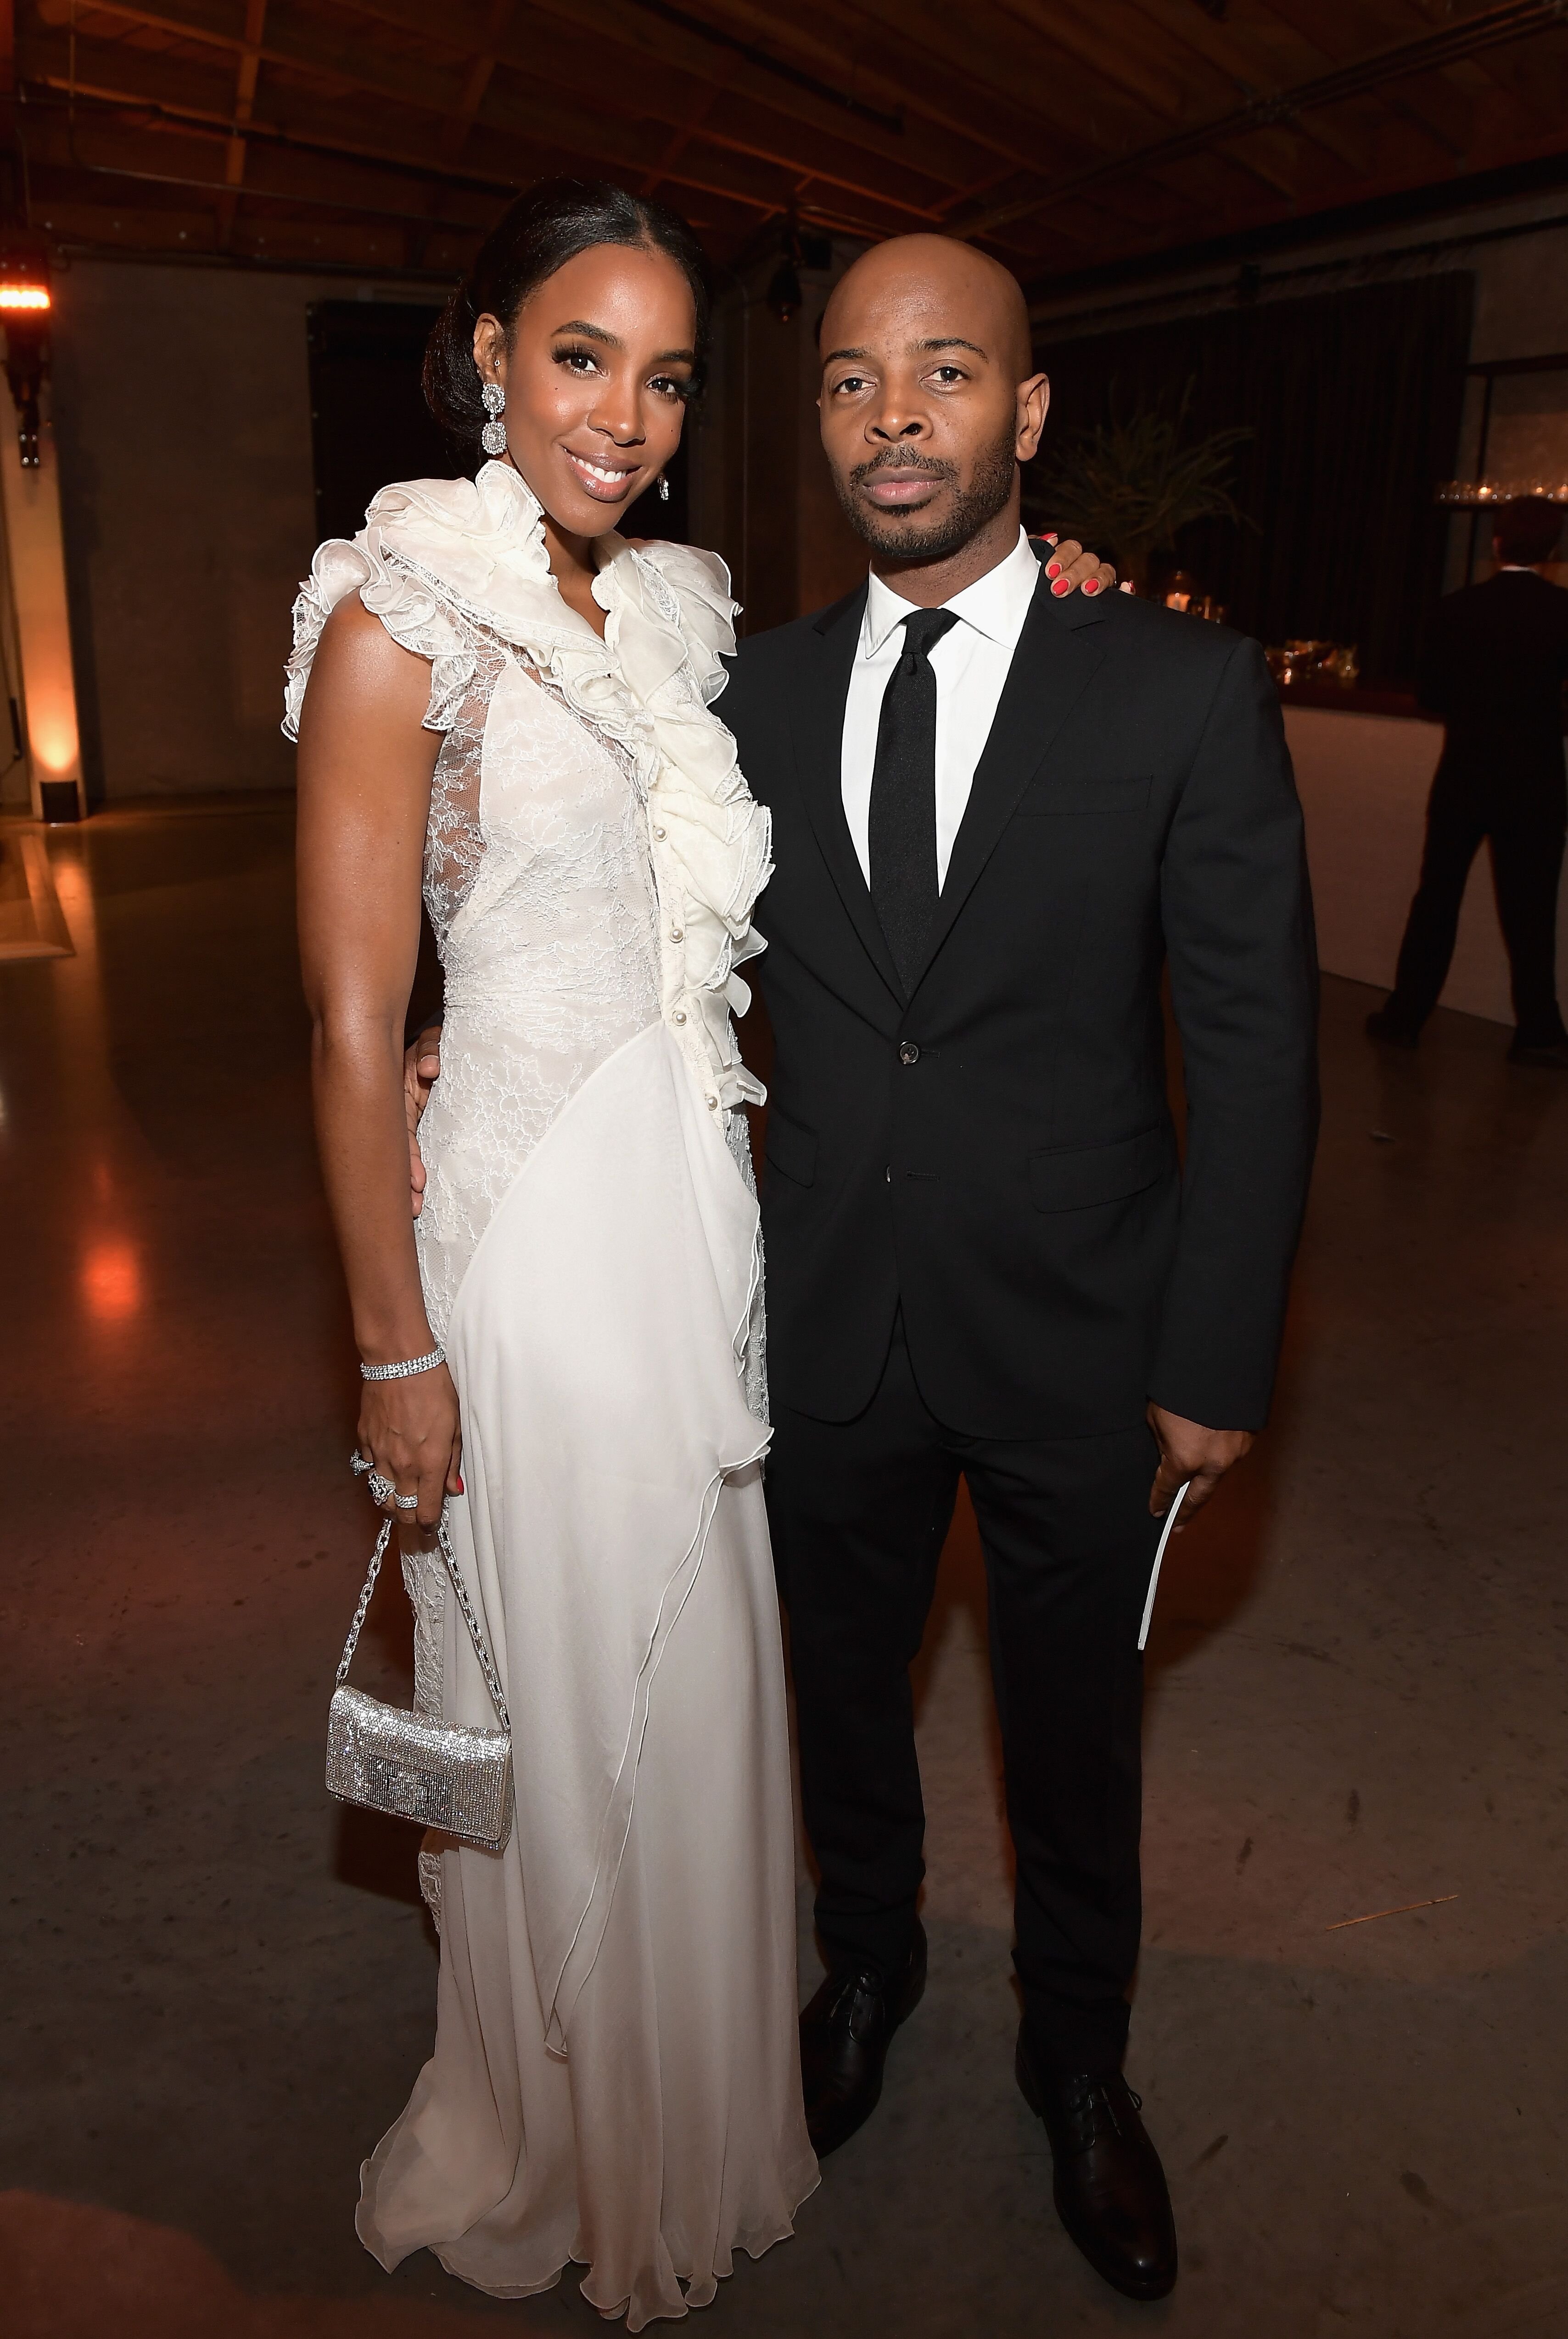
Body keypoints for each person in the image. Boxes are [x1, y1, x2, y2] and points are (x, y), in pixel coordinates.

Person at [408, 227, 1318, 2309]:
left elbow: (1259, 1053)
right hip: (813, 1318)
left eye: (943, 374)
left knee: (1077, 1738)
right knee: (840, 1707)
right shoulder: (746, 686)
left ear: (1027, 408)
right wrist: (462, 1023)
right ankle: (867, 1974)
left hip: (1089, 1335)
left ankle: (1080, 2074)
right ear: (811, 411)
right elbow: (612, 898)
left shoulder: (1176, 686)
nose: (893, 416)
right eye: (845, 379)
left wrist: (1217, 1352)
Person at [291, 180, 825, 2328]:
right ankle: (571, 2125)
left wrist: (1054, 589)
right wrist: (389, 1346)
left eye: (668, 370)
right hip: (517, 1236)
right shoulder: (402, 602)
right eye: (582, 351)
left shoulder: (671, 613)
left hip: (682, 1206)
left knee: (688, 1659)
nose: (625, 408)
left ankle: (688, 2104)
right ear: (490, 349)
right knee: (565, 1676)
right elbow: (346, 1019)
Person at [1367, 495, 1568, 1065]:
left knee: (1436, 898)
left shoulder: (1455, 609)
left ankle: (1405, 1016)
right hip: (1534, 780)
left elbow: (1431, 696)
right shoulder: (1562, 611)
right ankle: (1537, 1029)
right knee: (1530, 909)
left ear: (1495, 543)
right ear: (1551, 549)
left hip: (1465, 773)